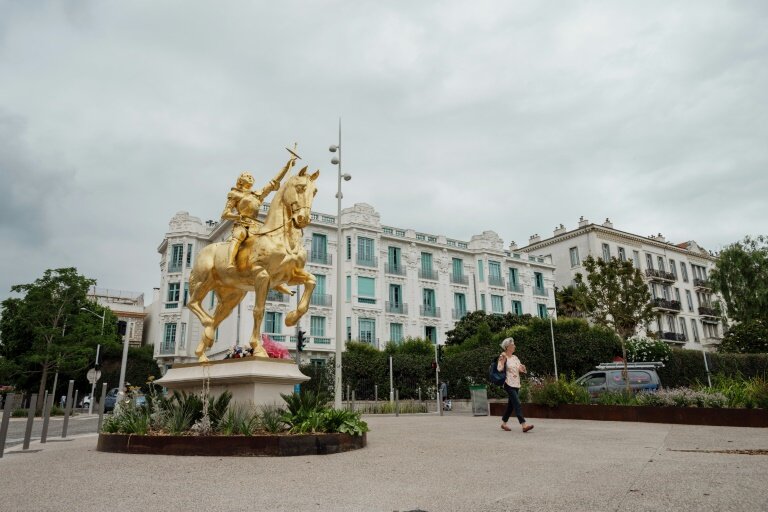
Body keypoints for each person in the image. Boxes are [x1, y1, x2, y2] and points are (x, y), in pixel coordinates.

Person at [221, 155, 296, 270]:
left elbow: (273, 183)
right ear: (240, 180)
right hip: (242, 225)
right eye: (247, 176)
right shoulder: (235, 194)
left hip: (256, 227)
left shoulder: (257, 195)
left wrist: (286, 167)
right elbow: (225, 213)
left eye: (251, 176)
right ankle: (230, 263)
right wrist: (237, 216)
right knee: (238, 236)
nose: (250, 177)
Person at [497, 337, 534, 433]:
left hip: (516, 383)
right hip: (508, 383)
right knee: (517, 402)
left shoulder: (515, 357)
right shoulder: (503, 355)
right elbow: (499, 368)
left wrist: (523, 368)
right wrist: (503, 362)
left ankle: (503, 423)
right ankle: (523, 424)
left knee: (511, 405)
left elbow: (520, 369)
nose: (514, 346)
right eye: (513, 345)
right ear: (507, 347)